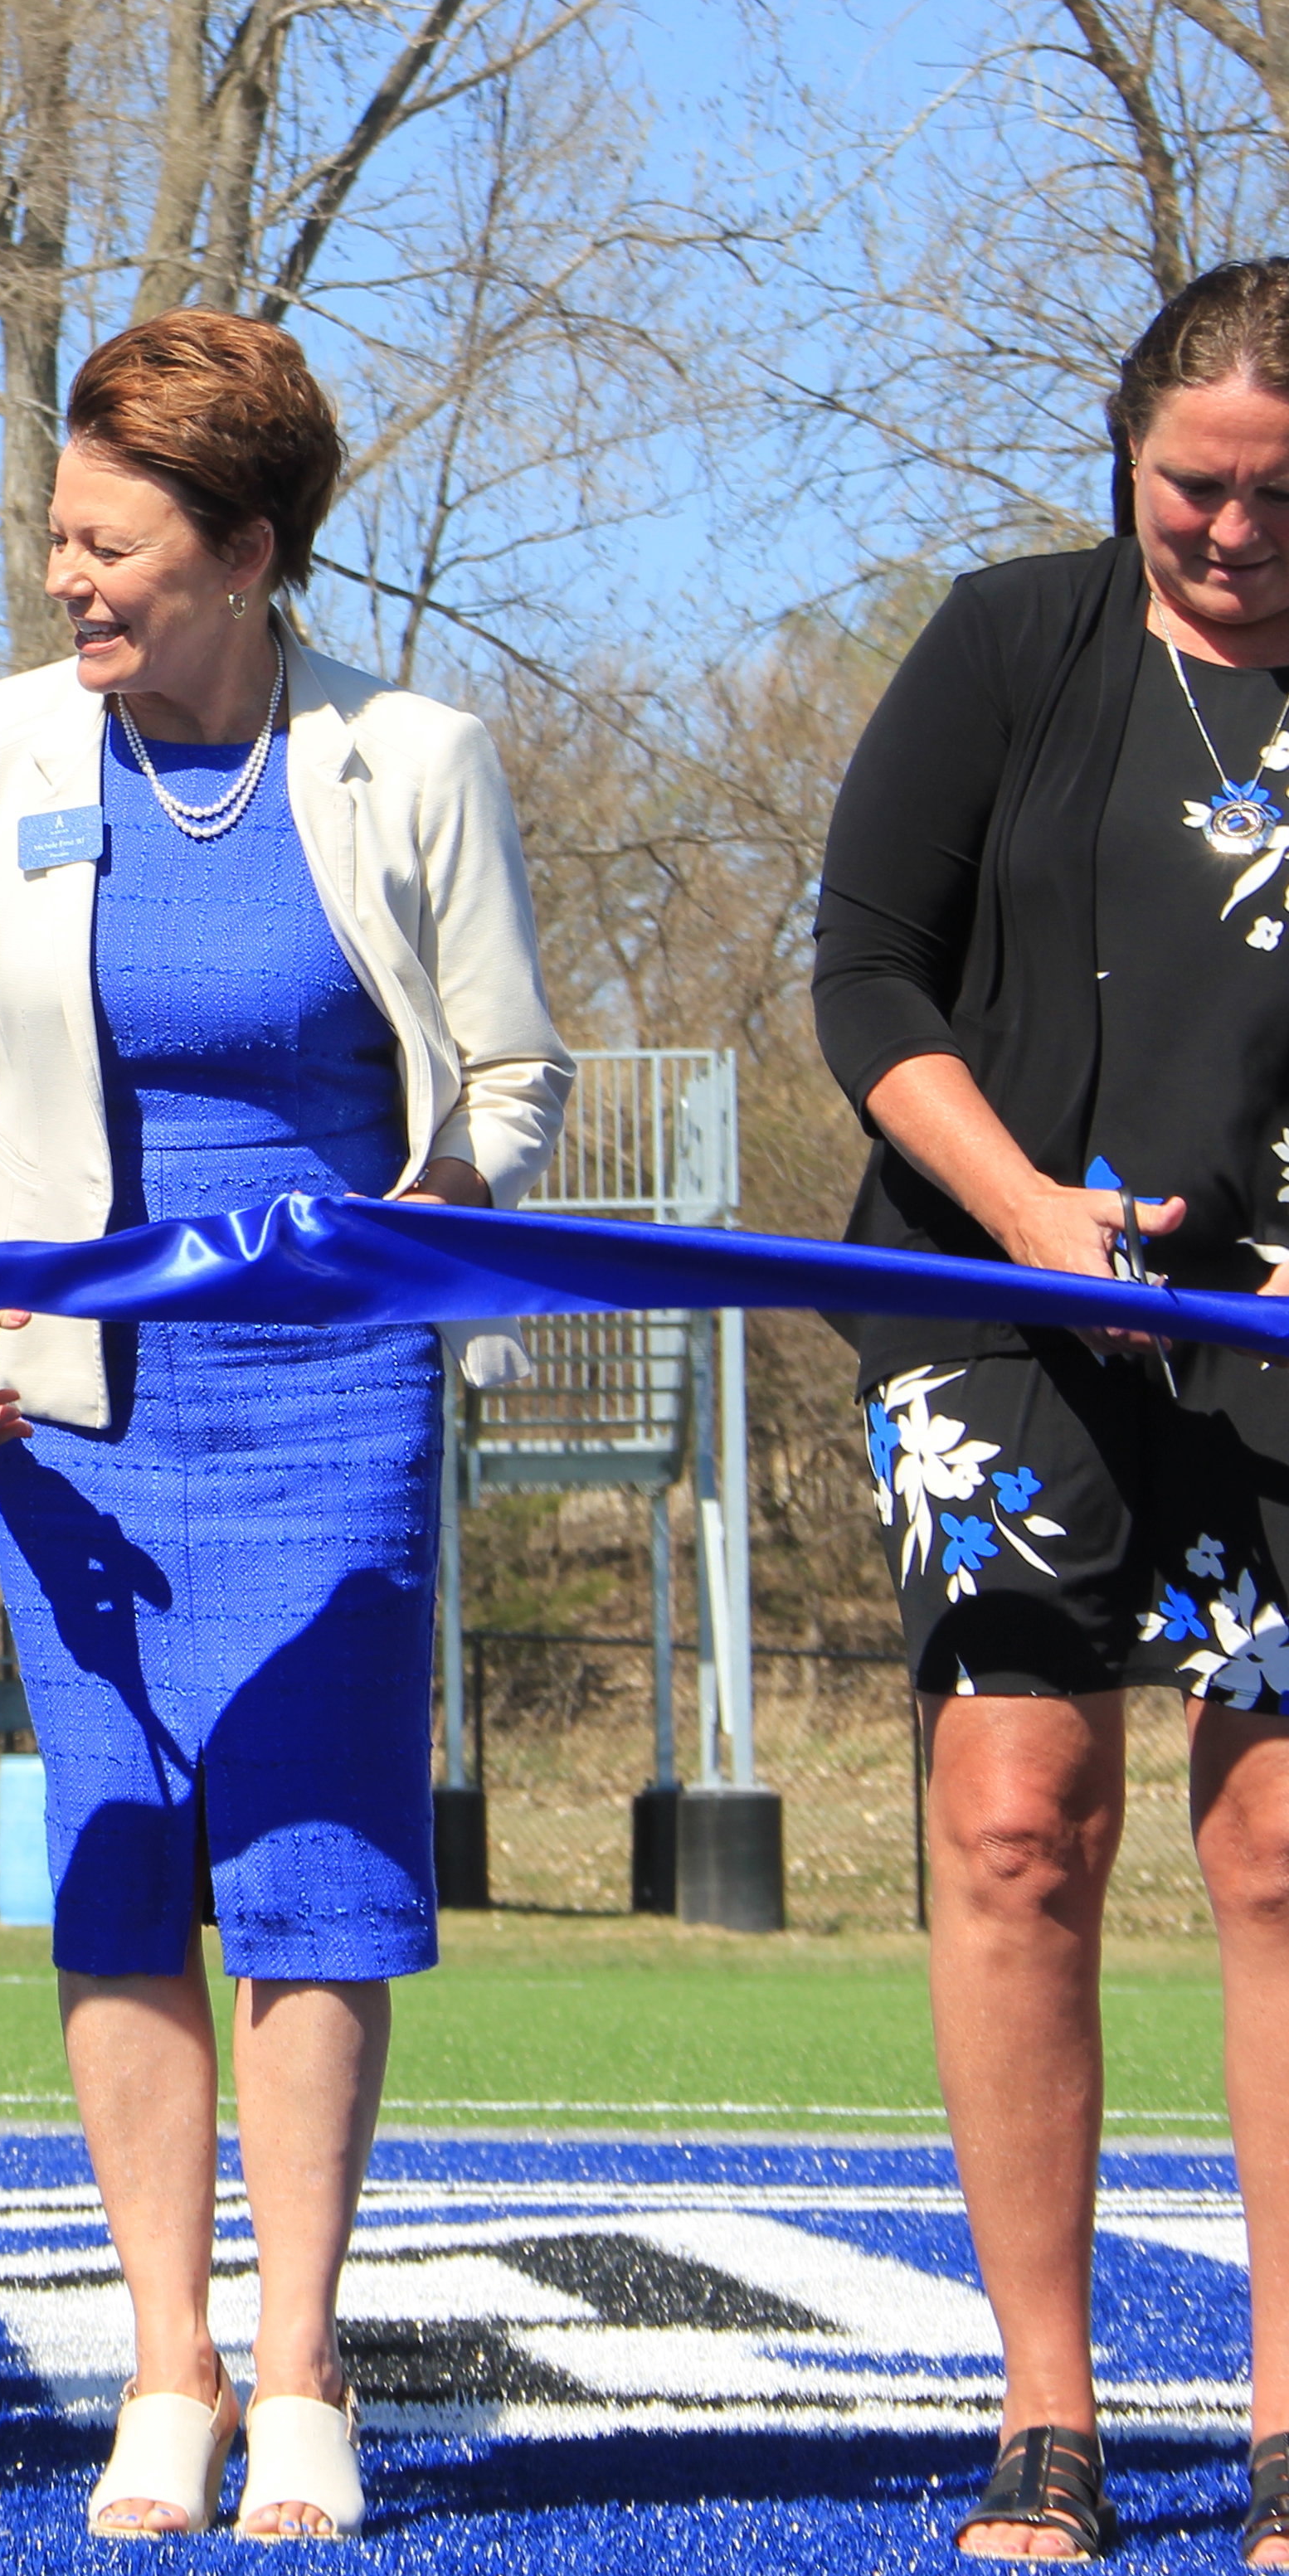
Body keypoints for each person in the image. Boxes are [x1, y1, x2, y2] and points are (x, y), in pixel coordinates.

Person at [0, 310, 567, 2542]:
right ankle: (172, 2366)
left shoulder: (410, 757)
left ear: (245, 554)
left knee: (315, 1876)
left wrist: (426, 1217)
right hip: (71, 1402)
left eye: (113, 545)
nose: (69, 578)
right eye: (59, 537)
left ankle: (306, 2367)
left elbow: (511, 1074)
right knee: (125, 1861)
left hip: (333, 1397)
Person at [810, 257, 1289, 2569]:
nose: (1235, 531)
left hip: (1277, 1320)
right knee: (1020, 1816)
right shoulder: (1013, 640)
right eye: (1197, 486)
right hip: (992, 1295)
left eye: (1282, 496)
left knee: (1282, 1844)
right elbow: (866, 973)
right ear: (1128, 460)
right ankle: (1049, 2417)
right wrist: (1022, 1214)